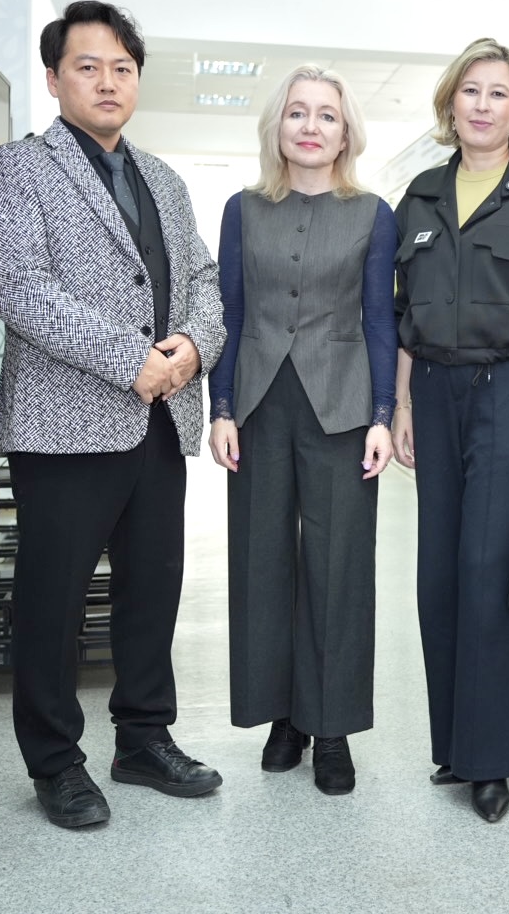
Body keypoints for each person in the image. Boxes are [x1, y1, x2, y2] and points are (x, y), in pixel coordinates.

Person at [0, 0, 225, 829]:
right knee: (52, 601)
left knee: (152, 591)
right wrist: (133, 359)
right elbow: (21, 289)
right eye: (88, 67)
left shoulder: (164, 179)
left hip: (160, 420)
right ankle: (55, 762)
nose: (108, 81)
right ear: (54, 79)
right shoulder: (18, 168)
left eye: (122, 67)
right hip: (64, 425)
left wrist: (192, 345)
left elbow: (203, 280)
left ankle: (144, 739)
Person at [391, 37, 509, 824]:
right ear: (451, 103)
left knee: (491, 568)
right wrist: (402, 407)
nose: (482, 104)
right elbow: (404, 315)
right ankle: (454, 746)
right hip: (433, 392)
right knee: (439, 573)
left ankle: (493, 759)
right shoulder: (421, 195)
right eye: (470, 90)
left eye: (498, 92)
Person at [207, 66, 396, 795]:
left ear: (346, 133)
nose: (311, 126)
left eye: (326, 115)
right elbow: (229, 311)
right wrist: (222, 407)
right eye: (297, 113)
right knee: (262, 562)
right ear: (277, 126)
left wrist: (383, 416)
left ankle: (332, 726)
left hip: (341, 406)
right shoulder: (243, 209)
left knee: (338, 568)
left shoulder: (373, 213)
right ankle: (283, 715)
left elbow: (379, 320)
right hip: (260, 404)